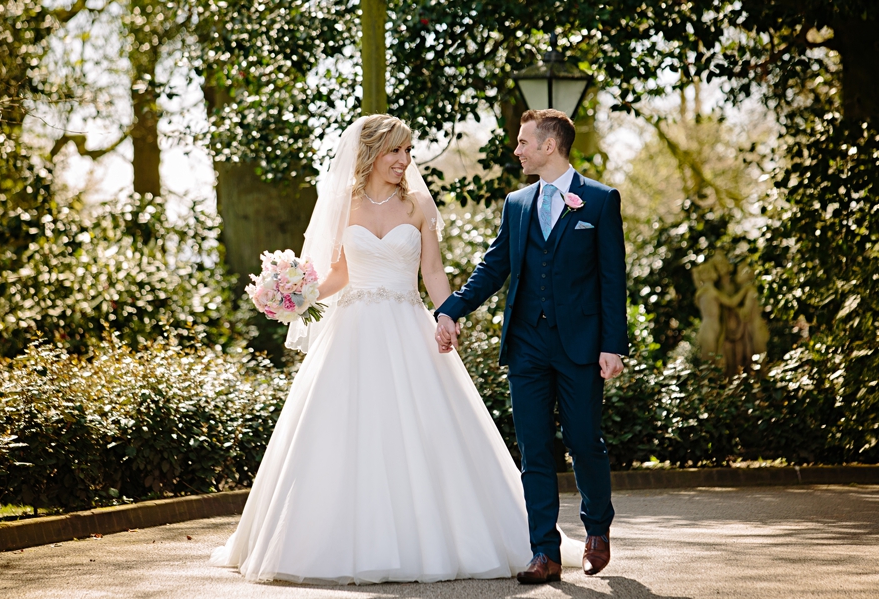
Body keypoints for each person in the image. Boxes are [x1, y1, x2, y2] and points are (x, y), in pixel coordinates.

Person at [210, 114, 583, 585]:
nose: (405, 160)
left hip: (409, 325)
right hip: (353, 331)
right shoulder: (341, 204)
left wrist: (449, 313)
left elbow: (432, 273)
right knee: (344, 435)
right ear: (371, 153)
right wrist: (296, 297)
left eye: (408, 152)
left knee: (428, 430)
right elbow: (338, 276)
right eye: (396, 152)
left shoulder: (418, 204)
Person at [436, 108, 629, 582]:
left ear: (549, 146)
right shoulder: (517, 203)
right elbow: (494, 265)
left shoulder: (600, 201)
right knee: (535, 450)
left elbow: (611, 279)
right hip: (526, 345)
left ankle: (597, 532)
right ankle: (544, 552)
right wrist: (452, 308)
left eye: (524, 142)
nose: (517, 149)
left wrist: (613, 345)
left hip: (581, 345)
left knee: (585, 442)